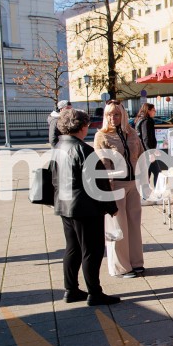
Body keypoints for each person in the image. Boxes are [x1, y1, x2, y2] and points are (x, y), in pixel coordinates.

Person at [51, 108, 120, 306]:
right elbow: (97, 183)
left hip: (65, 205)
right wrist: (111, 206)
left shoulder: (58, 147)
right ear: (81, 127)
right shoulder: (84, 150)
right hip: (85, 208)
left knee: (72, 248)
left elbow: (53, 177)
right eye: (87, 125)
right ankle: (94, 292)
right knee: (92, 250)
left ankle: (70, 289)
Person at [94, 101, 146, 278]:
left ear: (123, 115)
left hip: (133, 183)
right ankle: (121, 267)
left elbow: (140, 156)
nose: (112, 118)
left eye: (116, 114)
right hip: (115, 184)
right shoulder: (102, 136)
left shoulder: (132, 134)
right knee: (118, 226)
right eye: (109, 114)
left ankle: (136, 262)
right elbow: (103, 163)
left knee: (134, 225)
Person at [134, 103, 162, 192]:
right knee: (156, 172)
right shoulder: (147, 121)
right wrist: (150, 153)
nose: (155, 112)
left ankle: (145, 194)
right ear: (148, 110)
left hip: (142, 151)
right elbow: (146, 138)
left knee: (147, 173)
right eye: (153, 110)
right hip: (146, 152)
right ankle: (155, 193)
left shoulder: (140, 120)